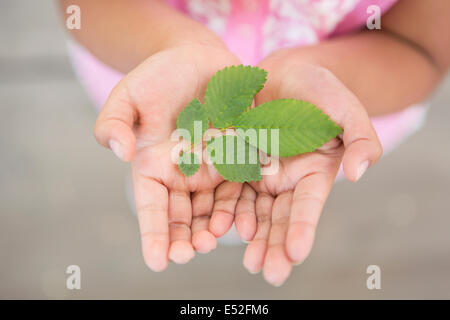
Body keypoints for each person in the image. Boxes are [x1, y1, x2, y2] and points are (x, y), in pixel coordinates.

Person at [60, 0, 450, 286]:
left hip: (339, 93)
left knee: (305, 170)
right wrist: (173, 44)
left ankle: (227, 200)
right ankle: (196, 188)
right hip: (159, 81)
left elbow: (422, 49)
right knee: (161, 152)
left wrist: (326, 74)